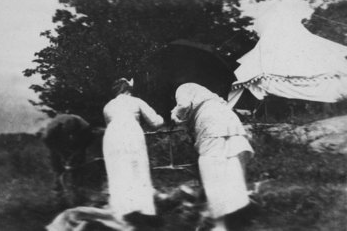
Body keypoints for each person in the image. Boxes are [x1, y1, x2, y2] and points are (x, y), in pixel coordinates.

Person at [171, 83, 254, 231]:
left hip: (211, 121)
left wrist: (176, 115)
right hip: (228, 117)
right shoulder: (203, 90)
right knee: (231, 163)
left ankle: (219, 222)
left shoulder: (182, 88)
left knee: (210, 167)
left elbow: (183, 105)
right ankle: (236, 211)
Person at [102, 78, 164, 217]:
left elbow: (108, 124)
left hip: (112, 136)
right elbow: (155, 122)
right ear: (128, 89)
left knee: (118, 171)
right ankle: (143, 211)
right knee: (138, 169)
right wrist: (163, 118)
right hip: (131, 133)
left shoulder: (108, 106)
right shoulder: (136, 101)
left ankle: (123, 212)